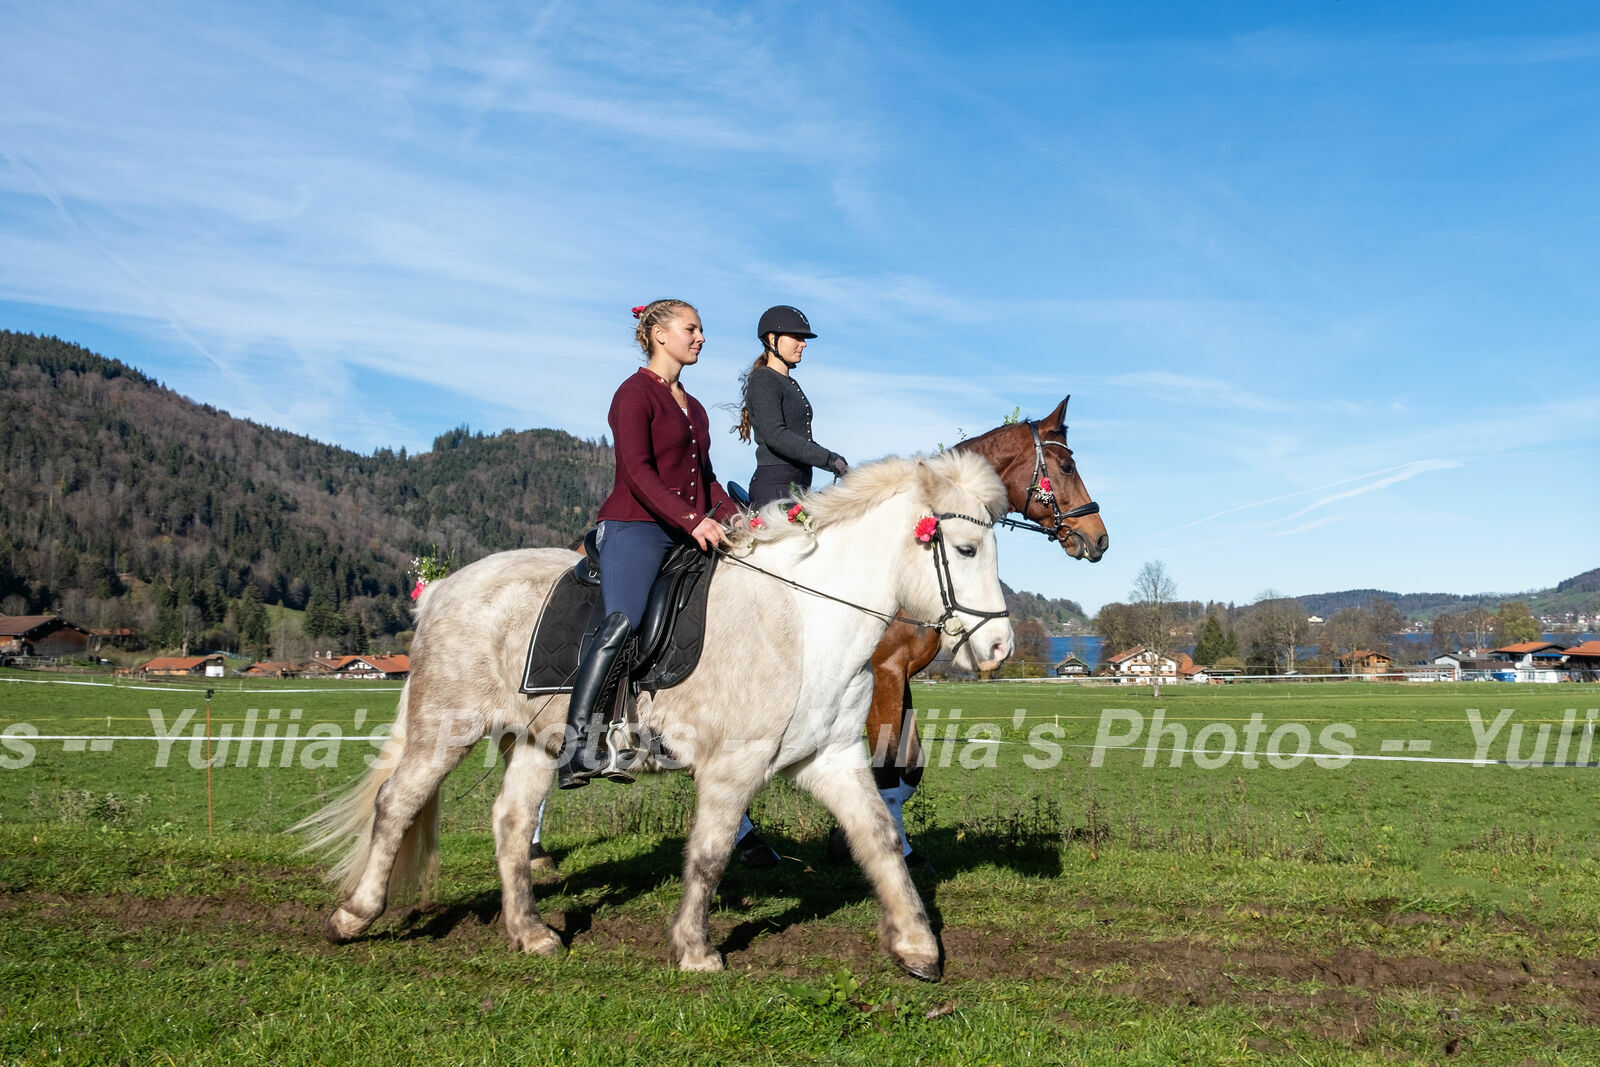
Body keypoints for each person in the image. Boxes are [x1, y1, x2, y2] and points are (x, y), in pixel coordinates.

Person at [557, 299, 734, 789]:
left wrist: (738, 518)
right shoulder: (633, 394)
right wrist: (691, 518)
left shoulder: (694, 406)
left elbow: (707, 478)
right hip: (636, 525)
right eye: (692, 329)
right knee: (624, 621)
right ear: (658, 334)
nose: (701, 338)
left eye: (701, 330)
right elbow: (636, 472)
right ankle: (578, 746)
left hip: (687, 528)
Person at [736, 305, 850, 509]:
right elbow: (776, 435)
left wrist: (834, 460)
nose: (803, 344)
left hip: (798, 486)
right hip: (775, 487)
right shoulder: (764, 378)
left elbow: (800, 439)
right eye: (796, 337)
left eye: (803, 339)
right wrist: (829, 459)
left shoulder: (789, 383)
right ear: (772, 339)